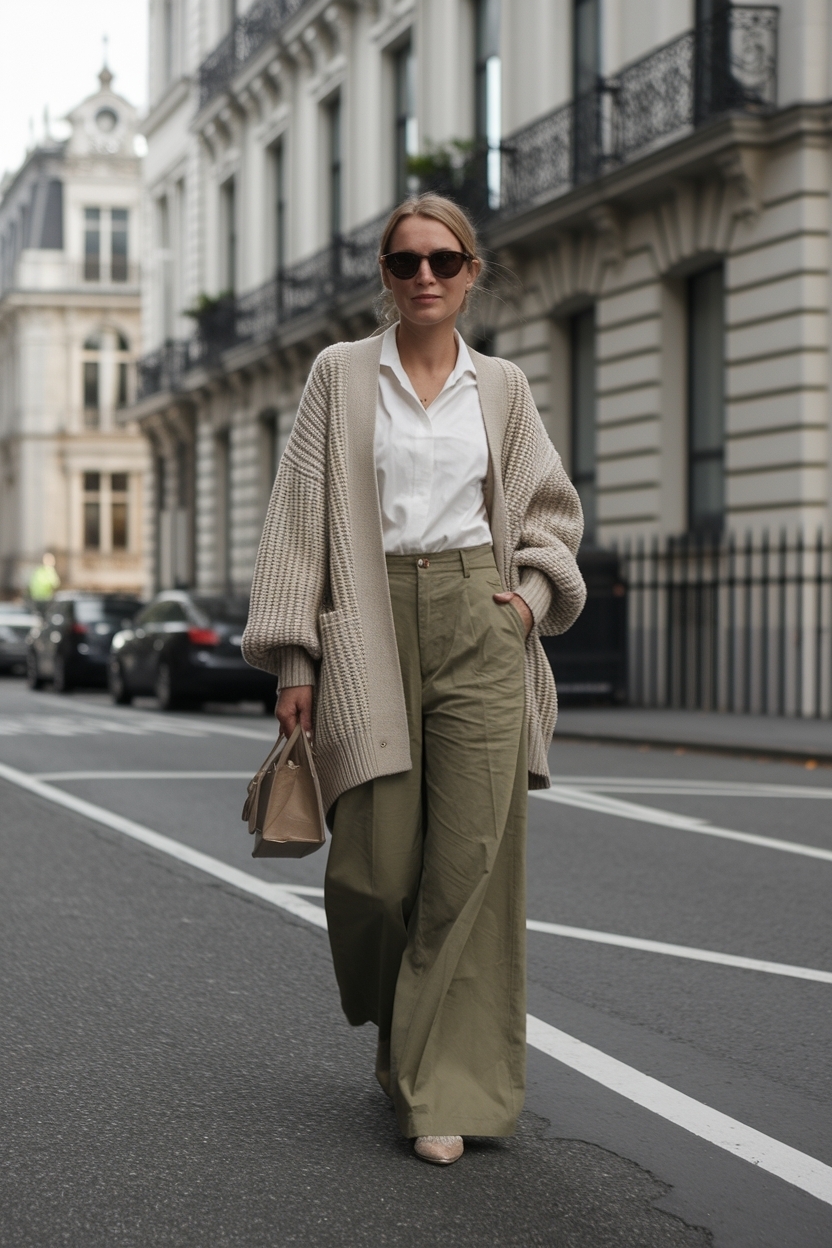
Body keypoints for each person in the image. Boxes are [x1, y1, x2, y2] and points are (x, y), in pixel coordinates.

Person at [242, 193, 586, 1166]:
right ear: (385, 280)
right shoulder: (338, 377)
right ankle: (405, 1034)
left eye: (443, 260)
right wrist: (294, 661)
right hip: (368, 623)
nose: (424, 277)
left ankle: (444, 1090)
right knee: (374, 872)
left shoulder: (503, 387)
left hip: (481, 618)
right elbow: (297, 522)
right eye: (404, 263)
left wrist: (523, 598)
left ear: (472, 272)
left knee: (470, 865)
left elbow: (549, 511)